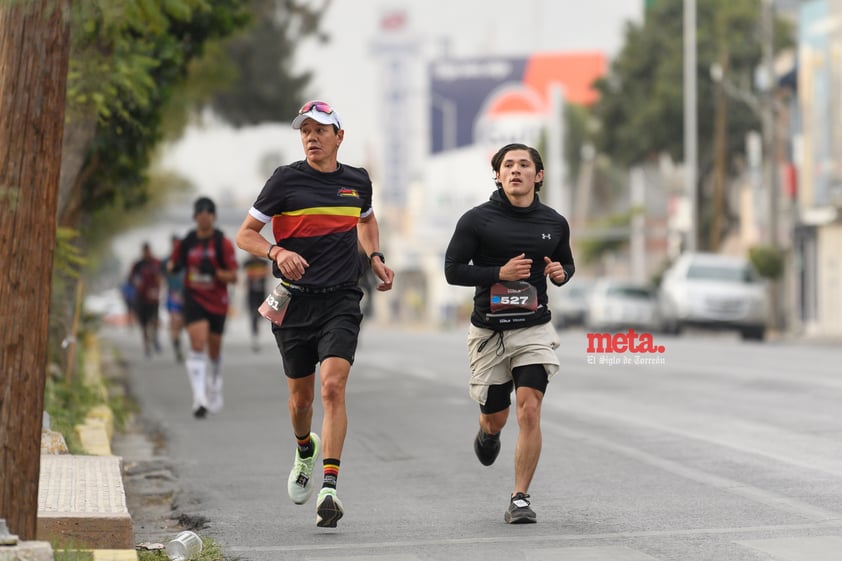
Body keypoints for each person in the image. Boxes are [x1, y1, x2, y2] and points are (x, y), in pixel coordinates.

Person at [236, 100, 394, 528]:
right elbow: (245, 235)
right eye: (305, 130)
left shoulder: (358, 181)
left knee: (332, 388)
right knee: (300, 401)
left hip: (342, 298)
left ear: (339, 137)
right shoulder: (285, 181)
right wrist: (276, 250)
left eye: (321, 130)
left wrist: (375, 255)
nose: (311, 137)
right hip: (295, 303)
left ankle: (329, 487)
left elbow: (366, 219)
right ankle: (305, 448)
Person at [444, 143, 575, 524]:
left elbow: (565, 261)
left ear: (539, 175)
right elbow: (453, 270)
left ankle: (520, 497)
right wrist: (498, 274)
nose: (515, 170)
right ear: (498, 175)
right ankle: (487, 433)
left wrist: (561, 274)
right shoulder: (476, 221)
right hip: (489, 333)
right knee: (496, 418)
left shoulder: (554, 223)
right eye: (507, 165)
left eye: (523, 164)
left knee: (529, 409)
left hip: (534, 329)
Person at [168, 197, 238, 418]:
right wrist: (175, 266)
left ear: (214, 216)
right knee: (197, 343)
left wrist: (215, 272)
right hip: (194, 298)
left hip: (217, 301)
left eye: (209, 213)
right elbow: (172, 265)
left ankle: (215, 385)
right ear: (195, 216)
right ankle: (199, 398)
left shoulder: (222, 243)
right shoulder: (187, 242)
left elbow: (234, 276)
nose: (204, 216)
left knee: (214, 349)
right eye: (200, 213)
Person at [128, 242, 163, 357]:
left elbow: (162, 276)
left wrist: (158, 284)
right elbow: (131, 279)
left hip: (153, 298)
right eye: (145, 251)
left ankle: (155, 338)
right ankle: (146, 347)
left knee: (155, 320)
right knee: (143, 325)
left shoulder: (156, 263)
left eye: (148, 251)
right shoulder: (138, 265)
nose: (147, 253)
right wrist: (138, 284)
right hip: (141, 298)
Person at [161, 235, 186, 362]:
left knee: (182, 323)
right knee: (175, 321)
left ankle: (178, 339)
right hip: (173, 296)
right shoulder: (166, 261)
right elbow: (160, 277)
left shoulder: (188, 260)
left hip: (187, 296)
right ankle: (177, 347)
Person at [242, 254, 271, 352]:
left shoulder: (263, 262)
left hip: (261, 293)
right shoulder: (247, 262)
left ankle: (258, 333)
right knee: (253, 315)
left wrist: (256, 273)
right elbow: (246, 274)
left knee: (261, 314)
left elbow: (268, 273)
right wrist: (258, 273)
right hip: (251, 293)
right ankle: (255, 336)